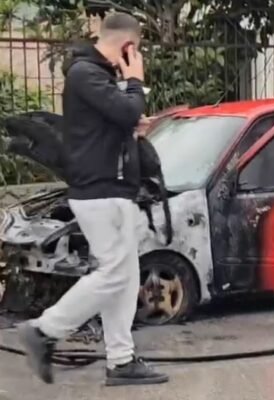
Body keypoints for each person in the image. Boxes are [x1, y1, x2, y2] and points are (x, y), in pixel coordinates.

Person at [18, 12, 169, 386]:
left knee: (125, 276)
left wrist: (133, 126)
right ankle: (43, 330)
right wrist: (135, 81)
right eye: (136, 50)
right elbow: (127, 108)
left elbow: (116, 121)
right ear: (128, 45)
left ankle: (121, 360)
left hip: (112, 190)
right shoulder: (86, 74)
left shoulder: (97, 76)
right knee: (114, 274)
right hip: (100, 191)